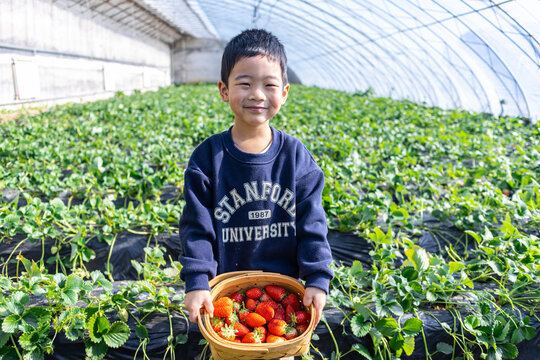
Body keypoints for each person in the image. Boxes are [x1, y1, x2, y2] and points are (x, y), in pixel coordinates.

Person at [179, 28, 334, 328]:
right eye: (245, 83)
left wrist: (317, 277)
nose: (257, 94)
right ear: (224, 90)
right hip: (227, 295)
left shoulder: (296, 158)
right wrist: (197, 282)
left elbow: (312, 223)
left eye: (269, 84)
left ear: (285, 93)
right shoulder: (207, 160)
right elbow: (196, 228)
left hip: (285, 299)